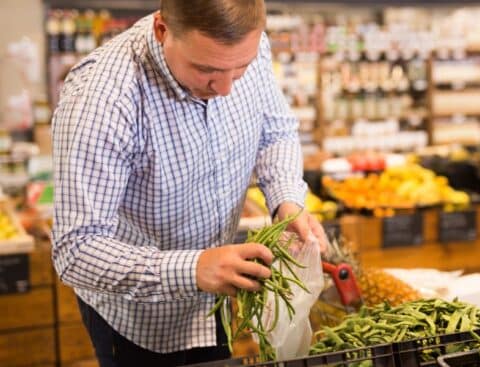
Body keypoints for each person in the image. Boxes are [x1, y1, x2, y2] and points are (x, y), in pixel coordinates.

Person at [51, 1, 327, 366]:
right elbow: (75, 249)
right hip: (142, 320)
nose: (227, 88)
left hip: (217, 301)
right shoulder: (101, 99)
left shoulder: (246, 43)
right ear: (163, 31)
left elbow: (275, 131)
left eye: (240, 69)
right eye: (206, 70)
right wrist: (194, 269)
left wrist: (286, 200)